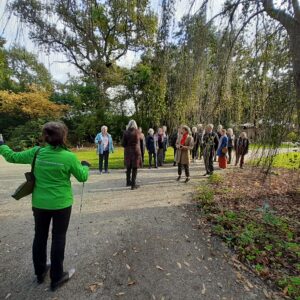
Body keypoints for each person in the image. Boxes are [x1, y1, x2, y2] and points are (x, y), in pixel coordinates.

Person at [0, 122, 89, 291]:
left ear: (45, 137)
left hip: (40, 204)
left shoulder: (37, 153)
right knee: (58, 237)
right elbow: (83, 177)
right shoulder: (68, 157)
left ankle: (40, 272)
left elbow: (12, 157)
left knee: (40, 236)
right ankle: (57, 277)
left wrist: (2, 146)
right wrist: (85, 165)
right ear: (64, 136)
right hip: (61, 204)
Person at [122, 120, 142, 189]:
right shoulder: (138, 132)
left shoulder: (125, 132)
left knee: (128, 167)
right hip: (136, 151)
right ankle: (133, 184)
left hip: (128, 151)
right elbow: (140, 141)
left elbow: (123, 144)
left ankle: (128, 182)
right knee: (134, 167)